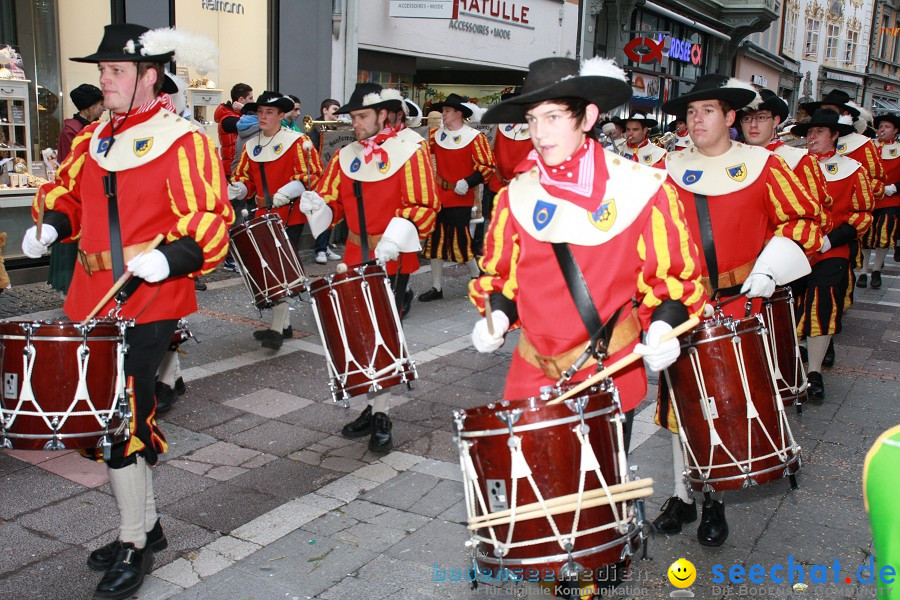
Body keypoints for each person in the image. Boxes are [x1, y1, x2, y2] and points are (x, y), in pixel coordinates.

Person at [22, 23, 231, 600]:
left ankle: (134, 542)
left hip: (149, 301)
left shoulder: (183, 140)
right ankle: (149, 526)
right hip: (90, 299)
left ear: (149, 75)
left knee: (120, 420)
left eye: (114, 71)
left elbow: (209, 216)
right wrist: (52, 226)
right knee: (103, 416)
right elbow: (68, 196)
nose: (103, 80)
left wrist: (173, 257)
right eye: (101, 71)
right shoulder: (95, 139)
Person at [471, 55, 706, 454]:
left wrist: (666, 327)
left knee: (598, 507)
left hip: (606, 373)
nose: (539, 133)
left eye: (553, 117)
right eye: (532, 120)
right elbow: (501, 274)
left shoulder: (642, 188)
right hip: (531, 372)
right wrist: (496, 314)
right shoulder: (516, 194)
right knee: (532, 505)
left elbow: (672, 278)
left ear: (588, 116)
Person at [654, 74, 824, 547]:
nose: (696, 120)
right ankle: (680, 494)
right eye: (690, 113)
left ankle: (714, 502)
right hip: (681, 302)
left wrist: (772, 266)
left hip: (742, 301)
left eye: (707, 111)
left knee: (726, 403)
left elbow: (807, 219)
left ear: (730, 117)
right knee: (678, 401)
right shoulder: (667, 168)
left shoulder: (763, 166)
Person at [300, 82, 440, 452]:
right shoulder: (346, 155)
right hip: (354, 254)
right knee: (357, 333)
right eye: (353, 117)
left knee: (383, 336)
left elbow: (423, 203)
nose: (355, 123)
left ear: (383, 114)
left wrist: (396, 237)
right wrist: (315, 205)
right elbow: (331, 202)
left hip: (392, 256)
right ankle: (370, 404)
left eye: (361, 116)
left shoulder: (410, 149)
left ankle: (381, 415)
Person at [230, 91, 323, 350]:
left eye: (269, 112)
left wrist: (289, 190)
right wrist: (239, 188)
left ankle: (276, 331)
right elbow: (247, 181)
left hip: (288, 214)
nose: (262, 116)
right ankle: (285, 325)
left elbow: (311, 176)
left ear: (281, 116)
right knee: (268, 268)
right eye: (259, 111)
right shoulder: (252, 145)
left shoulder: (298, 141)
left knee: (280, 270)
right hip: (262, 214)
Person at [791, 109, 873, 401]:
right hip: (795, 250)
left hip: (831, 250)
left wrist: (829, 241)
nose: (812, 137)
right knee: (793, 304)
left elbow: (863, 214)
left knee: (821, 302)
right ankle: (795, 359)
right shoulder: (791, 165)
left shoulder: (853, 169)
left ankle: (814, 373)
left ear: (835, 135)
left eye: (819, 132)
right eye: (809, 132)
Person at [420, 93, 495, 302]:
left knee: (461, 238)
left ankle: (476, 276)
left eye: (446, 111)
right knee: (435, 239)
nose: (442, 115)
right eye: (443, 111)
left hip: (460, 196)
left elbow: (487, 166)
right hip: (439, 194)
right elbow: (421, 154)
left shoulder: (475, 137)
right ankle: (436, 287)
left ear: (458, 113)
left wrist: (468, 182)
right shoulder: (436, 135)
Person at [48, 83, 105, 297]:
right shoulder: (70, 132)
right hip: (78, 196)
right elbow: (70, 167)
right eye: (100, 104)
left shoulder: (95, 129)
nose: (104, 109)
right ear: (89, 107)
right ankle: (70, 289)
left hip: (94, 194)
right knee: (73, 245)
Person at [474, 90, 532, 257]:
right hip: (498, 182)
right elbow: (488, 150)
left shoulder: (536, 127)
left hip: (524, 186)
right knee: (497, 222)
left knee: (520, 226)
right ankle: (496, 256)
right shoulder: (498, 126)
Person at [858, 113, 900, 288]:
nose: (883, 130)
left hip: (891, 199)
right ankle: (863, 271)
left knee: (884, 234)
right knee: (866, 236)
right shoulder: (868, 147)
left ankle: (876, 269)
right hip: (870, 198)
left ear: (896, 130)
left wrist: (895, 187)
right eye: (881, 126)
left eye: (887, 127)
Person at [215, 82, 253, 180]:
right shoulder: (228, 120)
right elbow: (254, 124)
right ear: (241, 100)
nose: (253, 101)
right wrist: (245, 109)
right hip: (232, 169)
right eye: (250, 98)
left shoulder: (238, 116)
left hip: (239, 166)